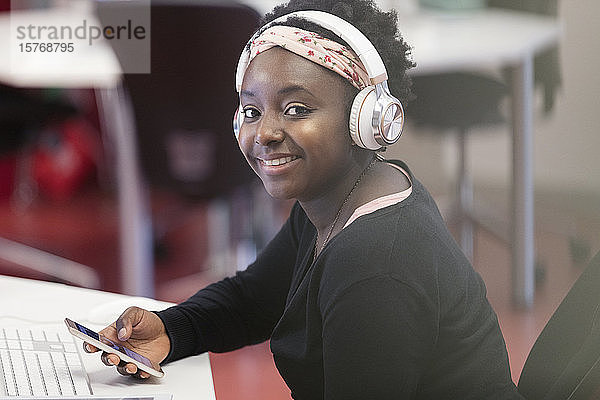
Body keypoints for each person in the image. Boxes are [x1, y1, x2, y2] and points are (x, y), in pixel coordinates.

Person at [86, 0, 524, 398]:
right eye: (252, 111)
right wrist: (171, 329)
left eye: (297, 109)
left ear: (366, 120)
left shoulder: (377, 263)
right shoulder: (336, 199)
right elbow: (253, 299)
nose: (265, 133)